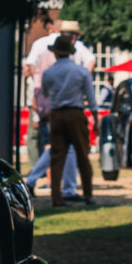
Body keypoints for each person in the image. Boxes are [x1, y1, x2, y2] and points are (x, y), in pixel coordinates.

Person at [40, 33, 96, 208]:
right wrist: (95, 117)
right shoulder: (81, 71)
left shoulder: (49, 73)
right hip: (75, 113)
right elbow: (91, 98)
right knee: (82, 155)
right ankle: (88, 195)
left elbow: (45, 93)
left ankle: (56, 197)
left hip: (56, 115)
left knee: (57, 157)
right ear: (70, 52)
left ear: (56, 53)